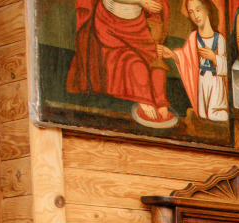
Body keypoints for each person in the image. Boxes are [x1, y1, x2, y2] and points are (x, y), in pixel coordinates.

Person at [65, 0, 175, 129]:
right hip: (109, 25)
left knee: (155, 60)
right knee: (133, 63)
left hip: (137, 25)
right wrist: (141, 1)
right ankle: (144, 99)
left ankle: (160, 101)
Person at [171, 0, 229, 122]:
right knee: (202, 115)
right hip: (201, 81)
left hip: (215, 82)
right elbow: (184, 58)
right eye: (191, 12)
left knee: (214, 114)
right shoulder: (193, 37)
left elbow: (226, 66)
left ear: (207, 9)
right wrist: (171, 54)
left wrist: (213, 57)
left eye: (198, 10)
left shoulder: (219, 39)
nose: (195, 16)